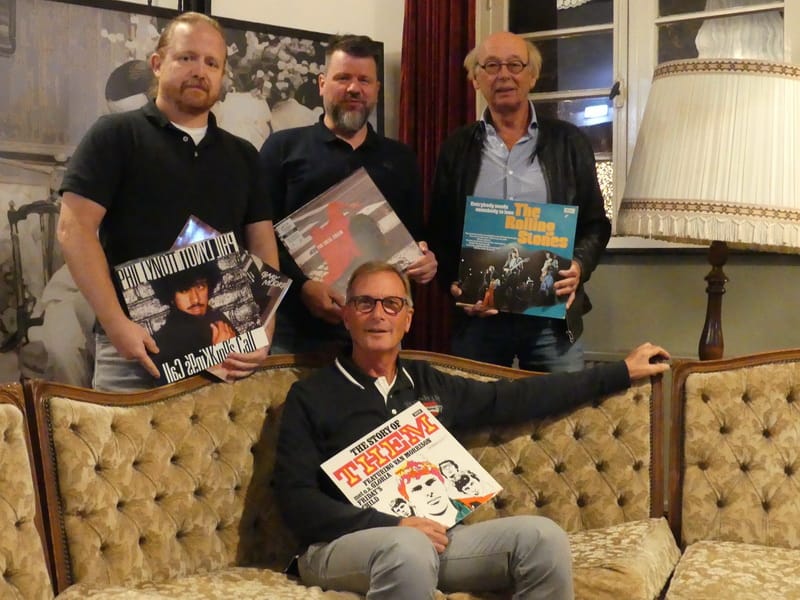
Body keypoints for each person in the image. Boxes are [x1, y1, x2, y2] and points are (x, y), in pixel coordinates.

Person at [274, 260, 670, 599]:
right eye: (365, 303)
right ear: (347, 315)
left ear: (408, 319)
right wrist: (392, 525)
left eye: (392, 304)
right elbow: (297, 501)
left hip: (436, 539)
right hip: (340, 546)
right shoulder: (310, 395)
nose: (379, 314)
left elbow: (515, 397)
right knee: (408, 547)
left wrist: (620, 372)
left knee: (542, 539)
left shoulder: (428, 383)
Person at [57, 12, 279, 392]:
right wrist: (116, 325)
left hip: (223, 351)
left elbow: (262, 242)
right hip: (134, 353)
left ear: (223, 76)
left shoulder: (244, 155)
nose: (200, 71)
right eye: (187, 57)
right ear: (157, 64)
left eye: (211, 63)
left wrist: (264, 325)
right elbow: (73, 229)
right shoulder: (115, 135)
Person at [429, 31, 611, 373]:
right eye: (492, 65)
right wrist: (453, 284)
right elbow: (439, 231)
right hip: (479, 322)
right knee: (475, 406)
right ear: (476, 78)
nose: (504, 75)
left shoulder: (569, 142)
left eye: (515, 65)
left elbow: (596, 225)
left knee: (560, 406)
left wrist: (579, 266)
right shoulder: (456, 148)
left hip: (551, 321)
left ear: (532, 75)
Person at [259, 34, 437, 355]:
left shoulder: (400, 158)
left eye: (364, 80)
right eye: (343, 78)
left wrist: (425, 262)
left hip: (378, 332)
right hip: (296, 333)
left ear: (376, 89)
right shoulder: (281, 148)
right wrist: (303, 288)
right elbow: (260, 239)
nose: (354, 88)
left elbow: (414, 237)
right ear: (322, 84)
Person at [149, 262, 237, 380]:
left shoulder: (219, 319)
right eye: (184, 290)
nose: (195, 299)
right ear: (171, 297)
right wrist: (218, 358)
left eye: (200, 286)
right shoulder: (160, 343)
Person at [395, 460, 471, 525]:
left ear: (443, 483)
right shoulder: (419, 534)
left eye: (430, 482)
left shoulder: (472, 504)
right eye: (416, 489)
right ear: (410, 502)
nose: (429, 492)